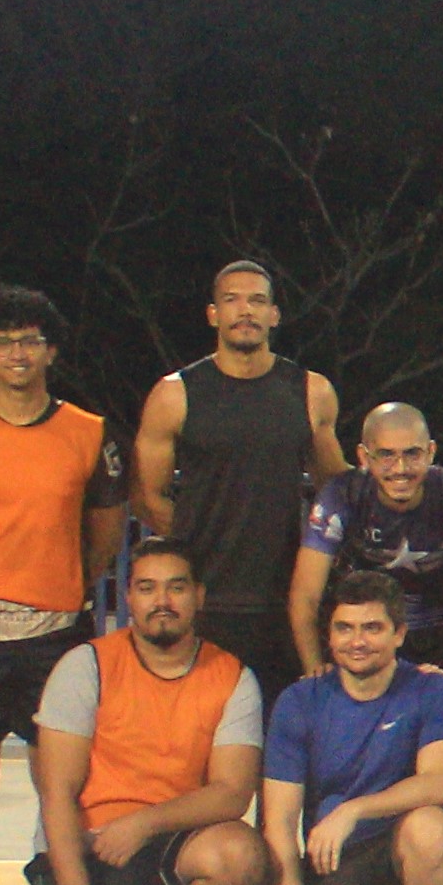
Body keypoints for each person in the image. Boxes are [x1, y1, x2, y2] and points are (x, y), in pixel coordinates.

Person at [23, 539, 274, 885]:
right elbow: (56, 793)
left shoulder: (231, 675)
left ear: (198, 596)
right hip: (90, 846)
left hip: (167, 840)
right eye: (147, 588)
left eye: (176, 588)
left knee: (241, 855)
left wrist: (143, 824)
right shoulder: (86, 666)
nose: (163, 601)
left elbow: (232, 792)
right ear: (129, 599)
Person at [0, 289, 132, 820]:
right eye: (5, 343)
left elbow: (106, 534)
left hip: (56, 636)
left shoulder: (89, 433)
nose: (18, 353)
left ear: (51, 352)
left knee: (61, 780)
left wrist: (59, 585)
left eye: (31, 341)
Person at [252, 570, 443, 885]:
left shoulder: (433, 691)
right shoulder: (299, 701)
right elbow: (276, 824)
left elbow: (440, 784)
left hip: (390, 859)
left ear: (399, 633)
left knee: (430, 827)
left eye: (372, 628)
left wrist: (353, 810)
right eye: (344, 628)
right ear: (329, 635)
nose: (358, 641)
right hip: (327, 866)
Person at [134, 257, 348, 691]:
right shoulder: (174, 394)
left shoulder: (311, 391)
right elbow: (147, 493)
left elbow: (336, 488)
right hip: (204, 596)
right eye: (232, 301)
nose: (245, 311)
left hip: (285, 597)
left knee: (282, 738)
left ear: (274, 315)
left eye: (257, 301)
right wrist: (188, 546)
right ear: (213, 314)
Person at [293, 405, 443, 680]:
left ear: (431, 452)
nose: (400, 469)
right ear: (364, 457)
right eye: (386, 455)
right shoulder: (342, 494)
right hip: (364, 635)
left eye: (412, 454)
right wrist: (314, 670)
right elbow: (305, 595)